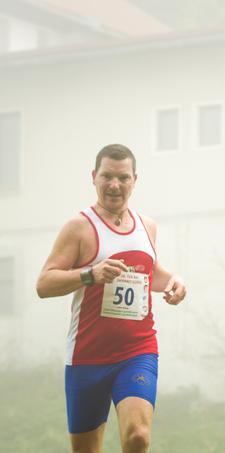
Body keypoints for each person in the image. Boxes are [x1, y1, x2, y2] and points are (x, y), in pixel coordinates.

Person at [36, 144, 187, 453]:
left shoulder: (147, 226)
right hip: (87, 357)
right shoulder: (79, 227)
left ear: (135, 180)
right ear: (94, 177)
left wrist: (174, 280)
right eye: (107, 176)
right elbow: (44, 283)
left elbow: (150, 271)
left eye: (123, 177)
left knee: (138, 437)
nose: (114, 185)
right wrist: (90, 274)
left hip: (137, 351)